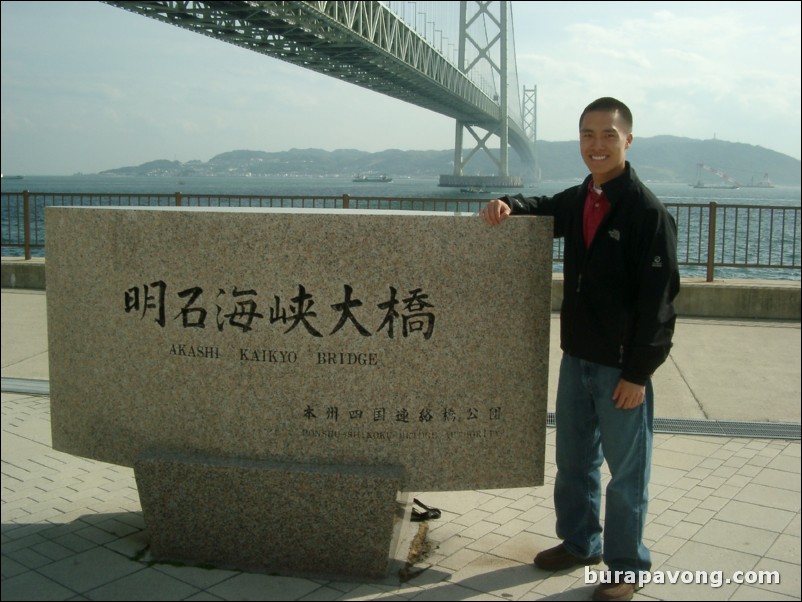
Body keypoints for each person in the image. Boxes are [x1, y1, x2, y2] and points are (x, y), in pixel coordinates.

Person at [480, 97, 679, 602]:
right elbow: (542, 207)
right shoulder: (582, 198)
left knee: (626, 474)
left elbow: (660, 304)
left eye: (608, 135)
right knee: (574, 463)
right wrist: (510, 204)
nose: (597, 144)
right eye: (588, 134)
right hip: (577, 359)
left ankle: (626, 567)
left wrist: (638, 373)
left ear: (628, 140)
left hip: (620, 370)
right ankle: (579, 542)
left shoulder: (646, 212)